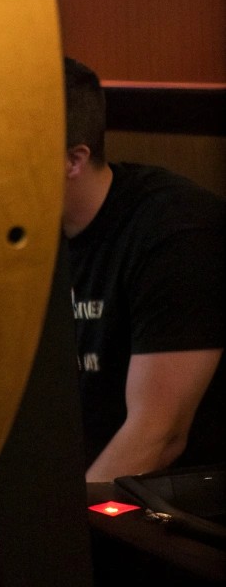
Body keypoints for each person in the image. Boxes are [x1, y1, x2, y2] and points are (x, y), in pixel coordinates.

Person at [63, 57, 225, 481]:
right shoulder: (18, 232)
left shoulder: (177, 232)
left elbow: (158, 436)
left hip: (159, 499)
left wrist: (60, 522)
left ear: (74, 161)